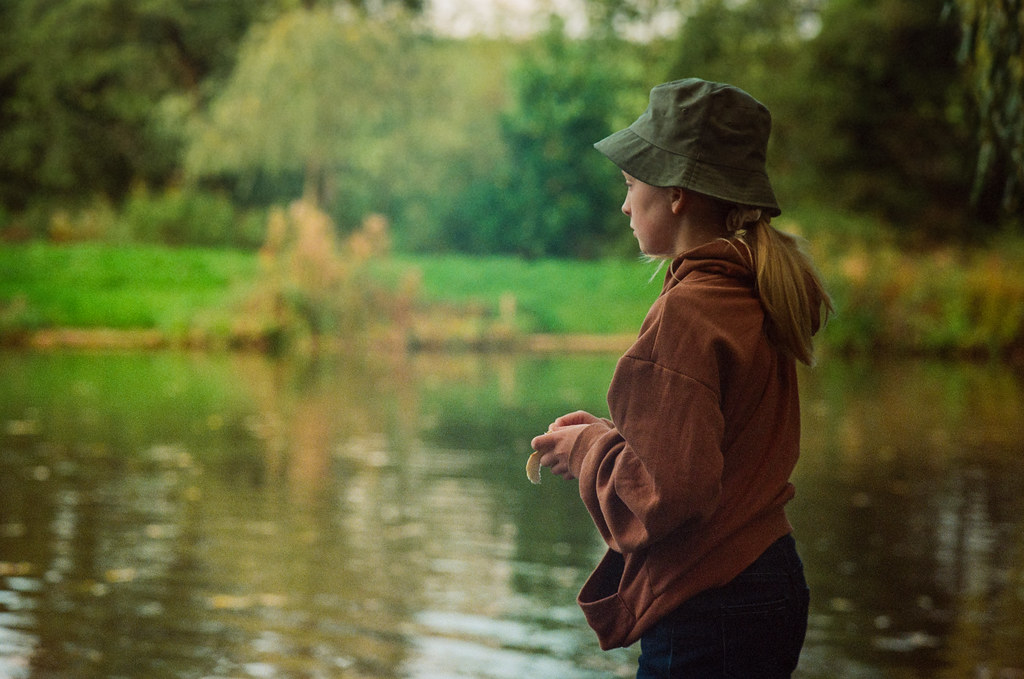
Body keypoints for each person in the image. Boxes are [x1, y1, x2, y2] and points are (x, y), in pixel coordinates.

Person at [529, 78, 832, 678]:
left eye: (630, 185)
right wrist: (616, 436)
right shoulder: (752, 291)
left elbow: (668, 497)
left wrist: (589, 448)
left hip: (712, 601)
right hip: (768, 580)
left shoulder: (688, 311)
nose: (624, 204)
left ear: (674, 195)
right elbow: (710, 452)